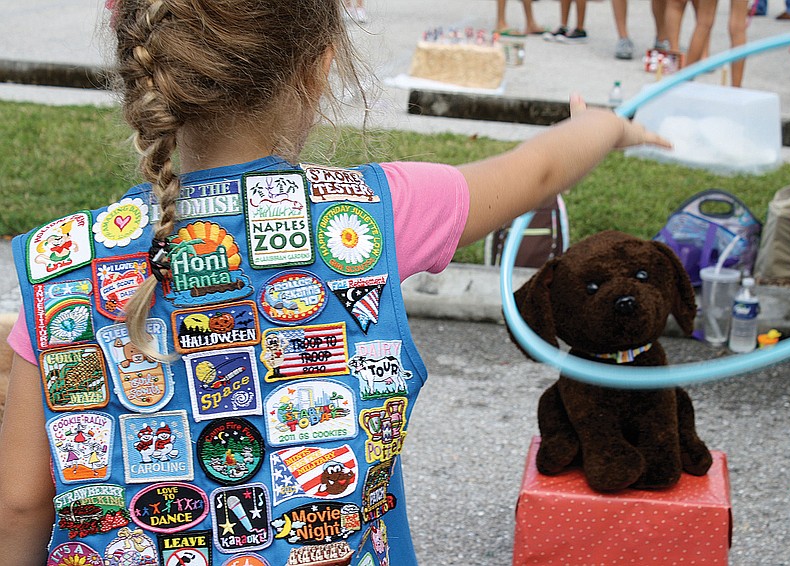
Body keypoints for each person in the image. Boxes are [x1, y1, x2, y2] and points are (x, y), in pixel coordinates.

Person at [0, 0, 669, 564]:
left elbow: (22, 503)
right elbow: (541, 170)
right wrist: (602, 126)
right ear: (317, 69)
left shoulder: (60, 262)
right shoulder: (380, 212)